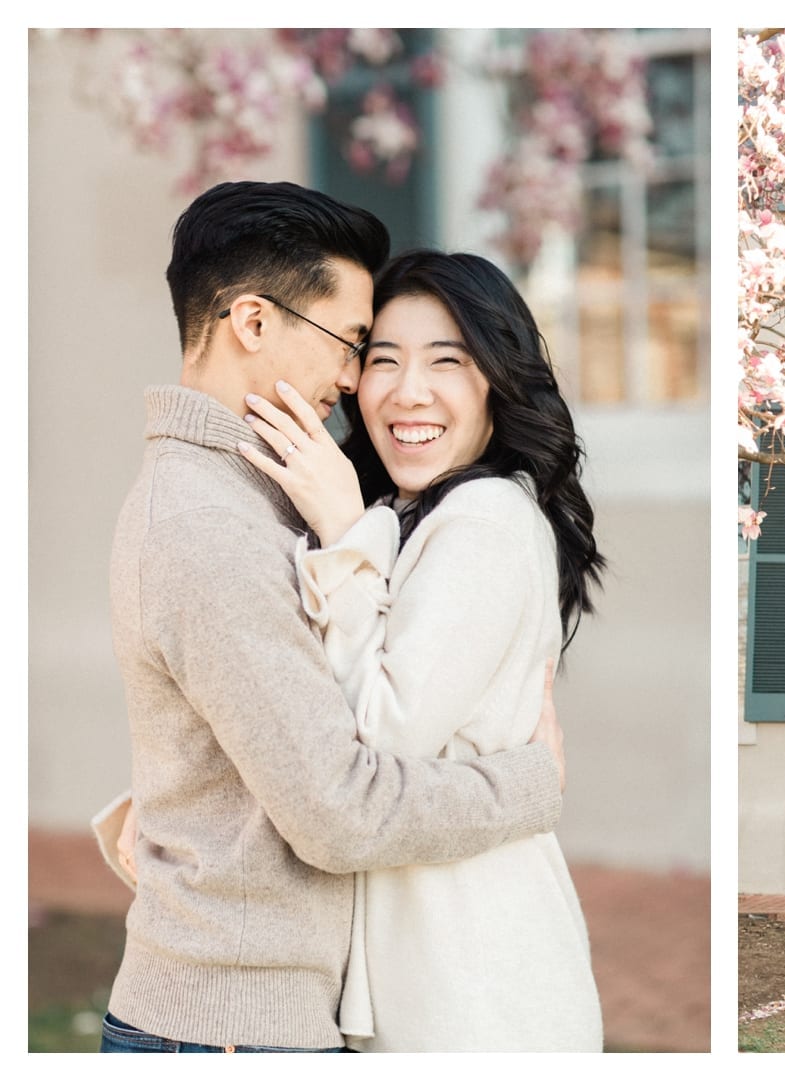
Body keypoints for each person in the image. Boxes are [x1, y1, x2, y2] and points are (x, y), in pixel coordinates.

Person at [96, 182, 567, 1053]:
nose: (356, 381)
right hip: (229, 1029)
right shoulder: (209, 524)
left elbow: (271, 727)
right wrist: (531, 784)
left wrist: (171, 799)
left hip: (251, 1019)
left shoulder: (260, 494)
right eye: (356, 345)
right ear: (252, 321)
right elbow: (340, 810)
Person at [238, 249, 606, 1050]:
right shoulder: (412, 516)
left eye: (449, 360)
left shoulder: (482, 519)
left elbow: (381, 734)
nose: (409, 390)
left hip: (475, 980)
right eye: (382, 360)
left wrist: (345, 535)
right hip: (438, 961)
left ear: (497, 383)